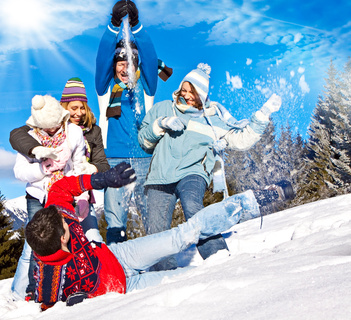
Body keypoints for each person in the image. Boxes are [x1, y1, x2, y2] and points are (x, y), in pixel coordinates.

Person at [25, 161, 284, 311]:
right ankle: (259, 269)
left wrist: (101, 179)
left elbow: (63, 187)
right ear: (61, 239)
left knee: (183, 234)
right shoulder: (48, 278)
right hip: (125, 289)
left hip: (118, 256)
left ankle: (256, 200)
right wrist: (74, 302)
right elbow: (44, 304)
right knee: (193, 278)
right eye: (65, 223)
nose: (67, 217)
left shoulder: (57, 212)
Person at [138, 63, 293, 271]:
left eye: (191, 91)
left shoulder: (212, 119)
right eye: (183, 90)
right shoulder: (164, 108)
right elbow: (144, 142)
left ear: (201, 94)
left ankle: (219, 259)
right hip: (159, 175)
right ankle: (164, 275)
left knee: (193, 208)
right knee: (157, 232)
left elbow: (241, 140)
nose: (186, 95)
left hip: (193, 173)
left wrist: (263, 115)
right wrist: (161, 124)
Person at [95, 0, 172, 244]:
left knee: (152, 216)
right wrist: (114, 25)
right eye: (120, 63)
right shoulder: (106, 90)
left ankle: (159, 263)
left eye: (128, 62)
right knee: (116, 219)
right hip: (114, 159)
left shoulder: (146, 89)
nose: (124, 68)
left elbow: (150, 58)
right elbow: (101, 62)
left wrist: (136, 25)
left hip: (145, 159)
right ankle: (118, 264)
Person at [9, 77, 110, 243]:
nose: (79, 113)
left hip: (78, 191)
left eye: (82, 108)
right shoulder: (41, 125)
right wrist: (41, 158)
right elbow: (16, 136)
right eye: (74, 108)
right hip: (43, 193)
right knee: (38, 246)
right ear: (63, 108)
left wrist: (89, 170)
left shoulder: (91, 131)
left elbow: (101, 164)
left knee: (90, 237)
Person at [11, 94, 87, 301]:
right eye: (47, 127)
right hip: (38, 196)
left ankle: (66, 282)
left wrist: (82, 194)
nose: (52, 130)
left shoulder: (74, 133)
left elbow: (80, 164)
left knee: (66, 238)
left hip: (64, 195)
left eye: (55, 125)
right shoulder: (30, 139)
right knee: (35, 243)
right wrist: (43, 168)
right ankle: (33, 287)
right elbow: (19, 171)